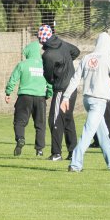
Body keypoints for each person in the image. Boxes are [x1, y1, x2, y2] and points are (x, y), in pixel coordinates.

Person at [60, 33, 110, 172]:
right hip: (99, 101)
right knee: (88, 132)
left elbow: (75, 79)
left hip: (87, 100)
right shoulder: (109, 59)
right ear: (109, 44)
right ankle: (75, 164)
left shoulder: (87, 58)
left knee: (102, 133)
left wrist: (66, 97)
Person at [39, 24, 81, 161]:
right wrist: (66, 63)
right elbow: (76, 51)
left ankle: (56, 153)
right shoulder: (63, 44)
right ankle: (73, 152)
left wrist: (56, 79)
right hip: (72, 88)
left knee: (55, 119)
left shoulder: (48, 55)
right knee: (67, 119)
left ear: (42, 40)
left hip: (61, 90)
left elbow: (48, 75)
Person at [5, 41, 51, 157]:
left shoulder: (22, 64)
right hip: (40, 98)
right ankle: (39, 150)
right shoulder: (45, 65)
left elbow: (13, 79)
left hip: (24, 97)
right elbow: (50, 82)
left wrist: (8, 92)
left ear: (29, 52)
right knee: (40, 124)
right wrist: (48, 94)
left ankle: (20, 138)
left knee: (19, 122)